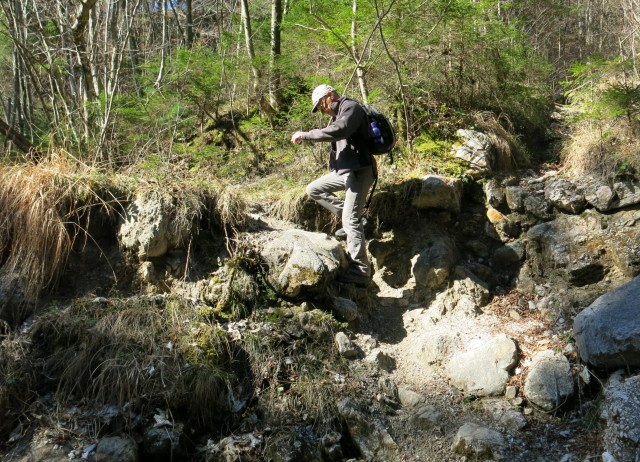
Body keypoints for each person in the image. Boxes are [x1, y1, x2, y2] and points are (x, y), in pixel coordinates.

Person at [291, 84, 376, 286]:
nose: (322, 110)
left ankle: (362, 271)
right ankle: (350, 218)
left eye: (321, 105)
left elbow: (340, 131)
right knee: (314, 189)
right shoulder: (338, 112)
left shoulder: (351, 108)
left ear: (329, 95)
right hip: (346, 172)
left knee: (350, 219)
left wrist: (306, 134)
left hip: (360, 172)